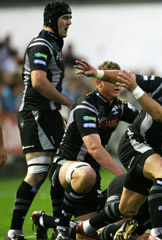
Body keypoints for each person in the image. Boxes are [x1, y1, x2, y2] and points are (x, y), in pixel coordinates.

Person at [72, 59, 162, 240]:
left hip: (150, 154)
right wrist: (97, 73)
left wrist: (135, 89)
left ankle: (85, 228)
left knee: (127, 208)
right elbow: (126, 77)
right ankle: (157, 233)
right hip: (133, 143)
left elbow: (161, 115)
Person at [31, 61, 138, 239]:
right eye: (112, 79)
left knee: (90, 233)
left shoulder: (119, 106)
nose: (118, 84)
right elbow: (94, 149)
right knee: (87, 174)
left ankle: (46, 221)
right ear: (99, 82)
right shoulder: (86, 106)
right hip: (65, 167)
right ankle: (62, 227)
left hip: (92, 173)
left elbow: (146, 121)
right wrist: (121, 176)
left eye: (119, 80)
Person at [6, 1, 74, 239]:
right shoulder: (41, 44)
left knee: (59, 168)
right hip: (35, 113)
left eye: (70, 17)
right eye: (65, 17)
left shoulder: (54, 44)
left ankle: (58, 228)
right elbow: (38, 81)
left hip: (48, 113)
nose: (69, 22)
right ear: (52, 19)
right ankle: (15, 230)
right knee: (38, 171)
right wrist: (67, 103)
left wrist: (57, 112)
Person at [32, 173, 162, 240]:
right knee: (92, 233)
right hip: (128, 183)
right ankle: (43, 220)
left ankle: (43, 220)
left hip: (153, 184)